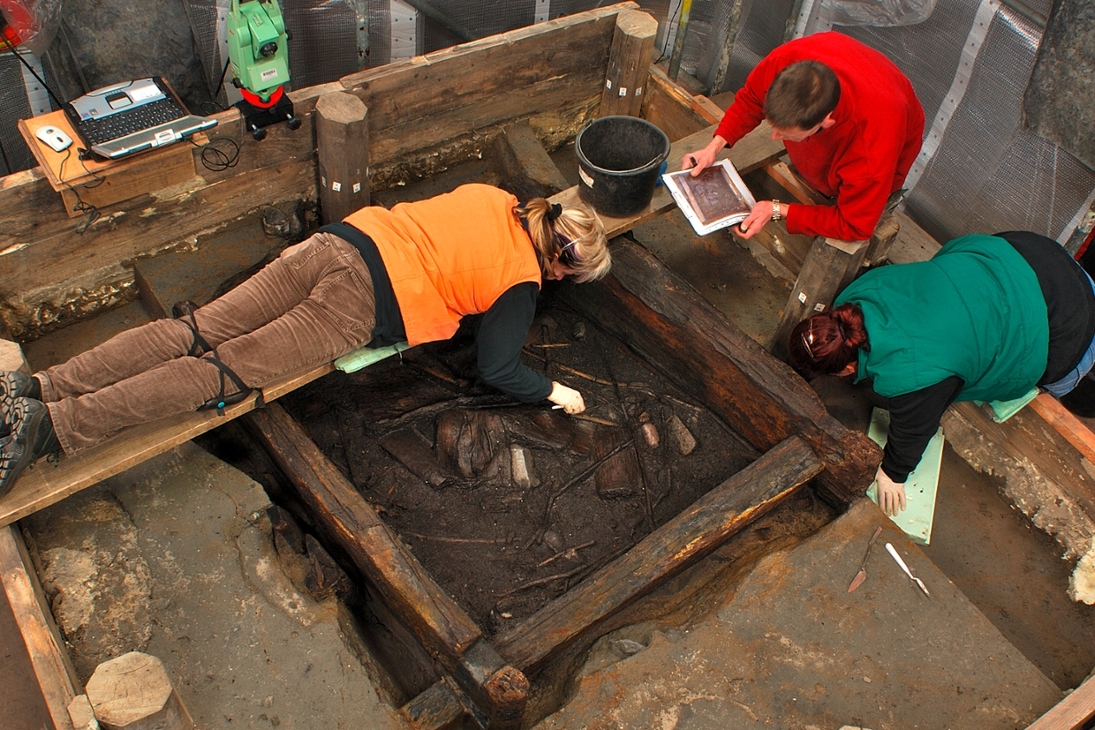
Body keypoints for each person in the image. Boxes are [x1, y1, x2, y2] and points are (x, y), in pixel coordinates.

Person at [0, 183, 611, 495]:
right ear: (564, 266)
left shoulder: (497, 199)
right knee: (220, 373)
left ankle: (36, 388)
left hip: (337, 244)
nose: (559, 282)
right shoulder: (522, 282)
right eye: (569, 276)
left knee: (195, 329)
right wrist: (555, 390)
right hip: (357, 302)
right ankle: (54, 427)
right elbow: (498, 368)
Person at [787, 231, 1095, 516]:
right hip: (1028, 254)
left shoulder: (913, 374)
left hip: (1070, 324)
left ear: (849, 368)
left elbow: (914, 429)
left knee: (1071, 389)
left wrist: (893, 474)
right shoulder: (858, 295)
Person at [682, 32, 924, 242]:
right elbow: (752, 98)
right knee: (813, 167)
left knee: (857, 202)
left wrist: (778, 209)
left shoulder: (871, 149)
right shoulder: (788, 60)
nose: (775, 137)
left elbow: (855, 225)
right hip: (856, 70)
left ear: (825, 123)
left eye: (787, 134)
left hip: (887, 118)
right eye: (773, 125)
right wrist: (715, 146)